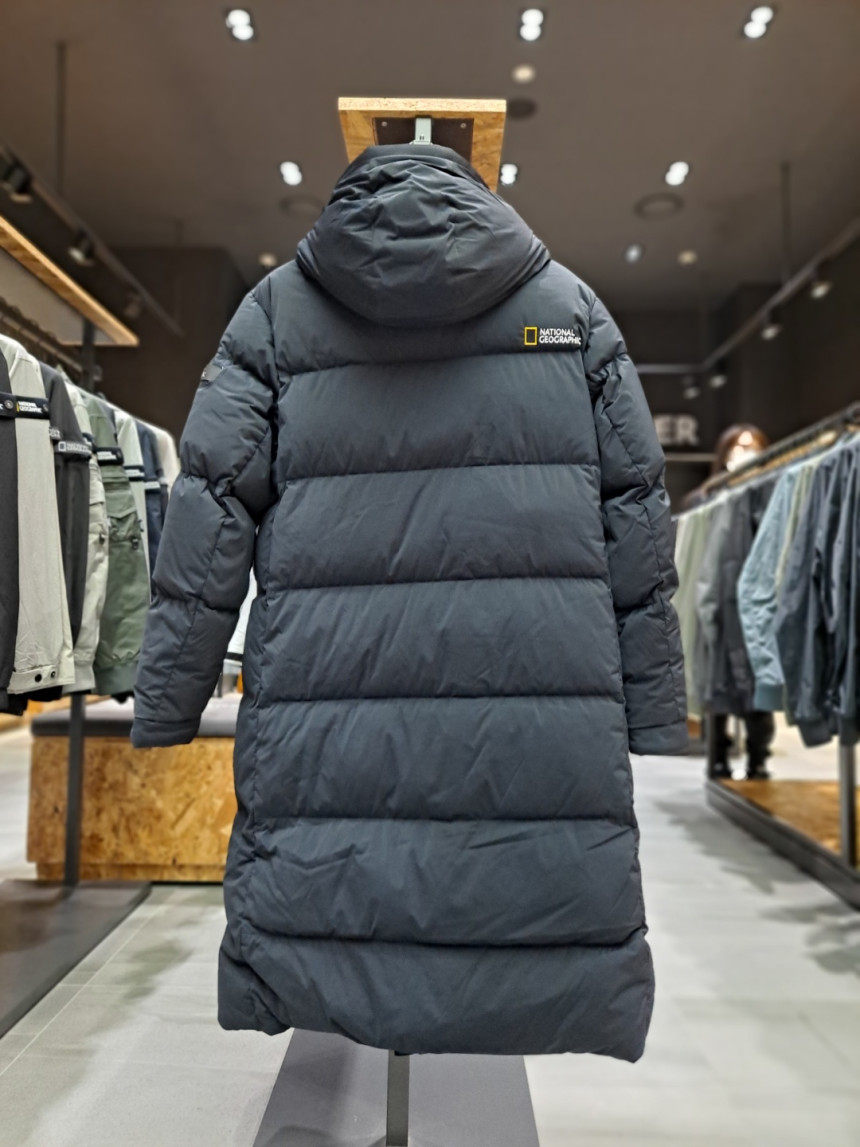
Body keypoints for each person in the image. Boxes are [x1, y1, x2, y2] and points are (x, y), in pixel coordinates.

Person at [131, 142, 686, 1062]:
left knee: (330, 872)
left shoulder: (274, 316)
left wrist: (169, 697)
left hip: (331, 700)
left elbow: (209, 511)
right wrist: (655, 708)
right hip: (531, 706)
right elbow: (636, 514)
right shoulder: (570, 315)